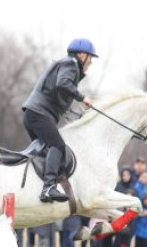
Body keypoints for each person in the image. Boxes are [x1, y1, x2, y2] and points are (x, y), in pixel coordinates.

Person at [21, 38, 97, 202]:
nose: (90, 63)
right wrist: (82, 97)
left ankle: (35, 190)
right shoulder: (70, 64)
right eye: (90, 58)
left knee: (46, 153)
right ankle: (48, 188)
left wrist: (79, 114)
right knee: (57, 145)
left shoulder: (66, 65)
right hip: (38, 114)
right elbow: (63, 83)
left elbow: (58, 97)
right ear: (82, 54)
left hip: (33, 114)